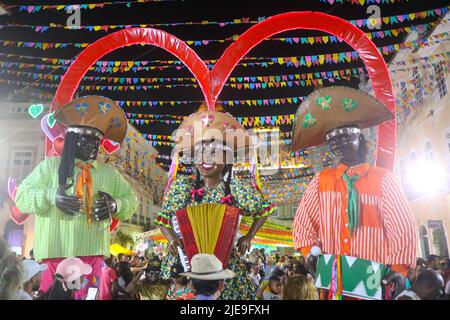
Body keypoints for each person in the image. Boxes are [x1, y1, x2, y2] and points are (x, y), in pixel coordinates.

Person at [292, 86, 417, 299]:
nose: (337, 144)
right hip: (333, 283)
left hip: (374, 279)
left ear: (360, 138)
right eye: (332, 140)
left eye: (343, 136)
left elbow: (402, 227)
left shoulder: (383, 179)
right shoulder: (321, 181)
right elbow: (303, 223)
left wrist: (399, 268)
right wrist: (308, 252)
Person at [15, 96, 138, 299]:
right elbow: (21, 198)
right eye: (86, 139)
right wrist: (51, 196)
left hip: (92, 258)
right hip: (54, 257)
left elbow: (131, 201)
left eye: (96, 141)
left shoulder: (108, 173)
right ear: (72, 140)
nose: (93, 146)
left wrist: (116, 205)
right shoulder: (49, 167)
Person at [155, 103, 276, 300]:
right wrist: (172, 239)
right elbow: (162, 219)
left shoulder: (235, 187)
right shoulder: (183, 186)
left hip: (225, 263)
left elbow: (265, 209)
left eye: (215, 152)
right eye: (201, 152)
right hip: (189, 262)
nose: (207, 158)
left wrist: (248, 237)